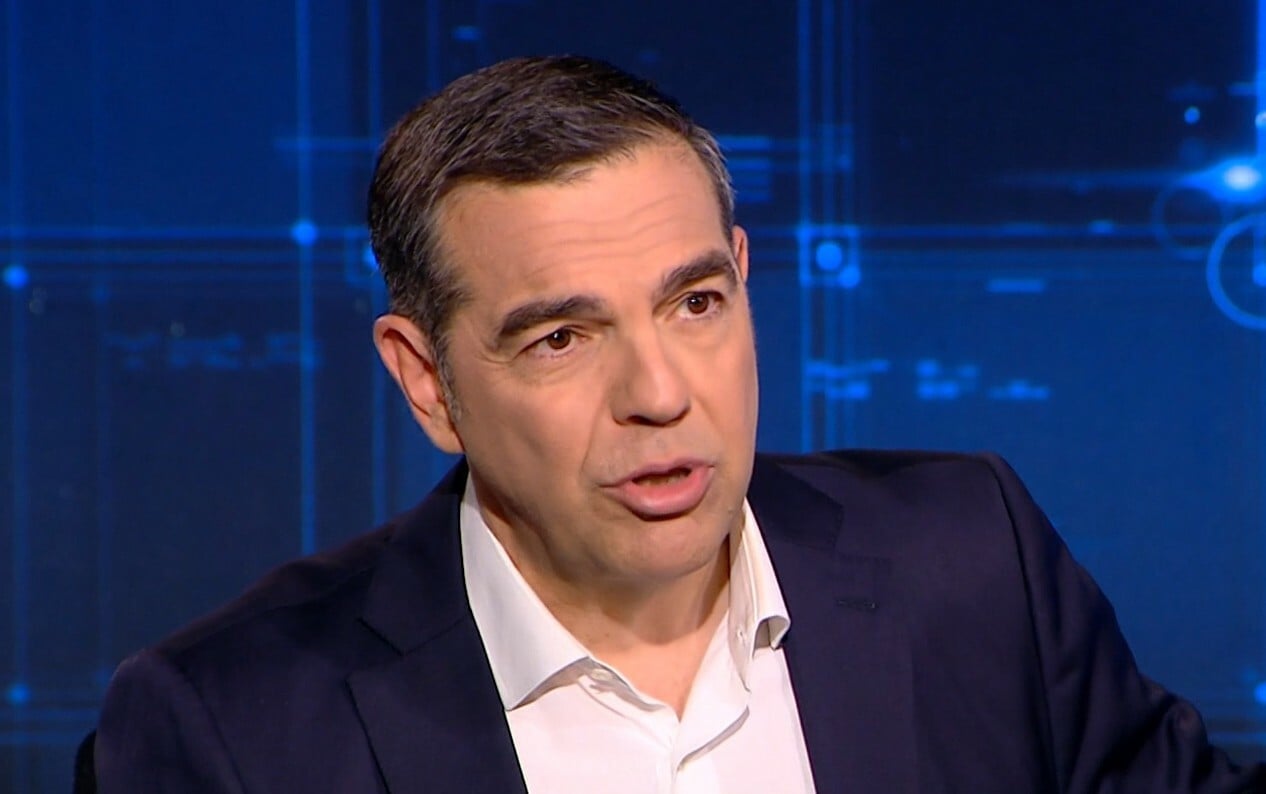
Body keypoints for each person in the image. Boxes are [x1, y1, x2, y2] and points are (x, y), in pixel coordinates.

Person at [93, 55, 1265, 793]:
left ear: (744, 279)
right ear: (427, 381)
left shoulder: (974, 565)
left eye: (695, 302)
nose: (659, 392)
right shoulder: (226, 729)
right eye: (562, 336)